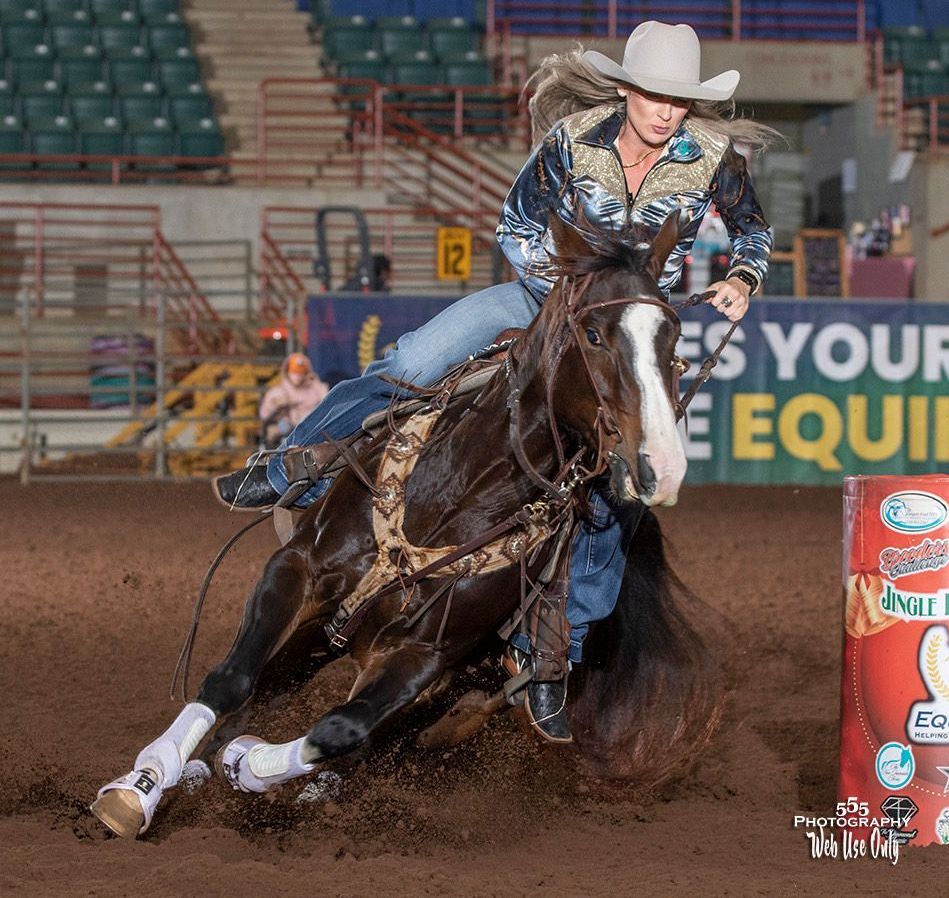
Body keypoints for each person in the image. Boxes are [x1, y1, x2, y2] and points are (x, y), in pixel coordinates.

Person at [213, 21, 775, 741]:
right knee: (413, 362)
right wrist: (568, 297)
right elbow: (516, 224)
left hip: (629, 335)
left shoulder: (714, 157)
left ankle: (555, 649)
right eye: (655, 95)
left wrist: (743, 277)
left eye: (678, 100)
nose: (666, 111)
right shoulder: (573, 139)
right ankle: (294, 463)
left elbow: (752, 228)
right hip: (544, 302)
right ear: (629, 90)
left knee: (631, 483)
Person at [258, 352, 329, 447]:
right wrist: (275, 405)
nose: (297, 377)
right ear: (287, 372)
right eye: (294, 372)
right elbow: (264, 415)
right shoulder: (278, 392)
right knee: (277, 428)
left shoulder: (315, 389)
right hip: (287, 430)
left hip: (311, 428)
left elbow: (327, 401)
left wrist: (315, 382)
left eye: (301, 373)